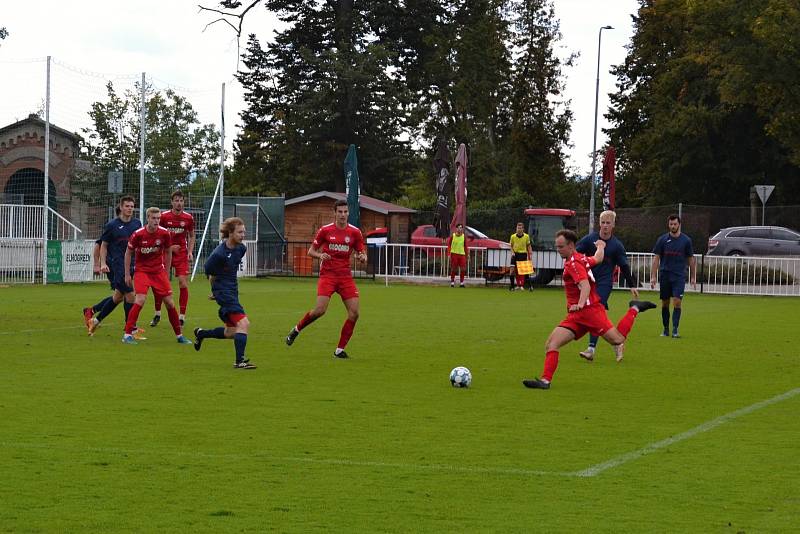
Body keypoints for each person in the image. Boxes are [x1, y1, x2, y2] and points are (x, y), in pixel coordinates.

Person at [522, 230, 656, 390]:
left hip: (590, 312)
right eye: (556, 247)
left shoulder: (573, 263)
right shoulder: (581, 258)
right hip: (576, 315)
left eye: (561, 247)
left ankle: (634, 308)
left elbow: (584, 285)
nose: (558, 250)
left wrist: (579, 303)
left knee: (618, 339)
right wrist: (600, 246)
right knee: (551, 343)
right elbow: (598, 258)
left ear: (571, 246)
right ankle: (545, 381)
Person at [285, 200, 367, 358]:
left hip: (345, 277)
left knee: (354, 313)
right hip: (328, 275)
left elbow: (361, 253)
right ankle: (296, 330)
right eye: (340, 212)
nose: (343, 215)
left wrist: (362, 257)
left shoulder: (355, 232)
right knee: (320, 310)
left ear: (348, 213)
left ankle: (339, 350)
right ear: (334, 213)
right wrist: (320, 255)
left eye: (345, 212)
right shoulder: (325, 230)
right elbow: (311, 251)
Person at [121, 207, 192, 345]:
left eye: (158, 218)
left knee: (170, 303)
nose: (156, 221)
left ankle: (179, 336)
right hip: (142, 271)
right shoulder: (138, 234)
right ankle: (127, 334)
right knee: (140, 300)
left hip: (158, 271)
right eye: (153, 218)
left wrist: (166, 272)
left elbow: (167, 251)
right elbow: (128, 253)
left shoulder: (164, 233)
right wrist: (127, 274)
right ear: (147, 218)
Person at [575, 210, 641, 361]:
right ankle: (617, 342)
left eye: (608, 223)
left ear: (613, 225)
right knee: (597, 314)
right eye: (603, 222)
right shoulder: (589, 240)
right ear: (599, 223)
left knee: (594, 311)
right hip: (589, 282)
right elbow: (576, 255)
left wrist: (631, 285)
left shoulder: (617, 246)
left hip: (605, 283)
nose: (605, 226)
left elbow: (624, 266)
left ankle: (591, 349)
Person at [193, 217, 256, 369]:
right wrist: (216, 291)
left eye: (244, 232)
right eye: (240, 232)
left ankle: (202, 334)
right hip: (224, 293)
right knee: (244, 323)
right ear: (230, 233)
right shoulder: (218, 254)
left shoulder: (241, 248)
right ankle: (239, 361)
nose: (243, 235)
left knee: (231, 332)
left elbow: (231, 268)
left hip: (232, 291)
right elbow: (211, 274)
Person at [87, 196, 143, 336]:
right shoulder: (112, 225)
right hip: (116, 265)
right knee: (131, 295)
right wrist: (102, 263)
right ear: (121, 207)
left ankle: (95, 320)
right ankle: (130, 328)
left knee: (118, 297)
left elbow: (139, 244)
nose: (130, 208)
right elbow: (103, 245)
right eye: (127, 206)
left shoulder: (137, 223)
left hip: (131, 264)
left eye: (132, 206)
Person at [150, 190, 195, 327]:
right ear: (172, 202)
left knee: (183, 282)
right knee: (159, 284)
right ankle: (157, 313)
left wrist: (190, 252)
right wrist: (167, 248)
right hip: (165, 253)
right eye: (176, 200)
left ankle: (181, 316)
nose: (179, 203)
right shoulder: (163, 217)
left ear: (184, 202)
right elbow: (157, 235)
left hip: (181, 253)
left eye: (181, 200)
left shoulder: (188, 218)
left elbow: (192, 235)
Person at [650, 214, 696, 338]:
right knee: (665, 303)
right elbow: (656, 259)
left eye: (675, 224)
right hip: (665, 275)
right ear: (668, 225)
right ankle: (665, 329)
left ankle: (675, 330)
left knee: (677, 302)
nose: (673, 226)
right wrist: (653, 276)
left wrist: (693, 277)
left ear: (679, 224)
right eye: (671, 224)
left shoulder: (686, 240)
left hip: (679, 276)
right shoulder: (662, 240)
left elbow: (691, 259)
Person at [509, 222, 533, 291]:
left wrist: (530, 253)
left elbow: (528, 245)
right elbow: (511, 246)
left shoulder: (526, 236)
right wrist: (512, 252)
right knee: (512, 270)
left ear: (523, 229)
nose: (519, 229)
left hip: (523, 255)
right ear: (516, 229)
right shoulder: (513, 236)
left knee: (524, 271)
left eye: (520, 228)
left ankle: (530, 286)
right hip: (515, 255)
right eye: (518, 228)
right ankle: (512, 287)